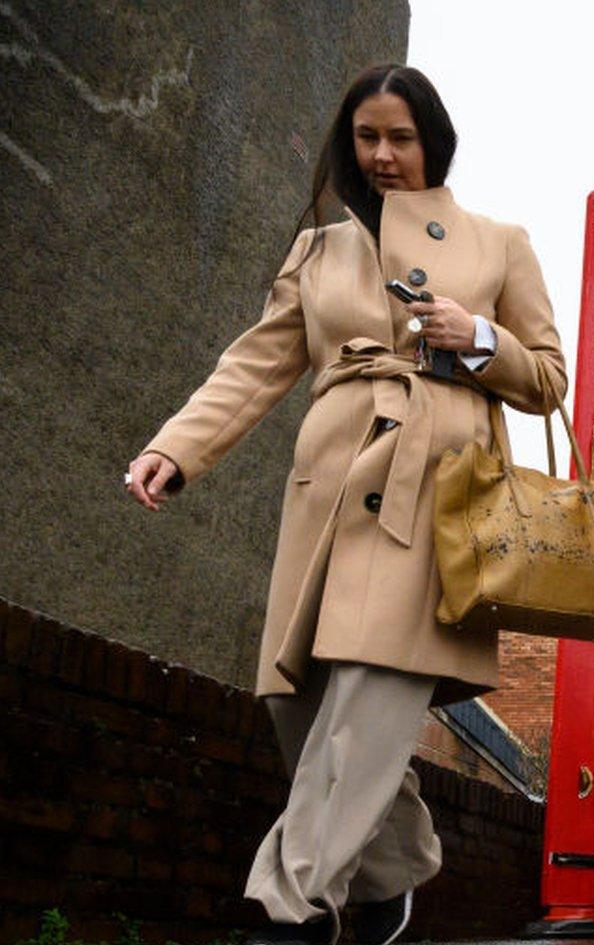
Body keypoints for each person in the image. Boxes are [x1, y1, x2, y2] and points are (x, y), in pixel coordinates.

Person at [124, 63, 567, 945]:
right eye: (367, 137)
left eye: (401, 137)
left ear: (432, 140)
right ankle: (393, 871)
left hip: (432, 500)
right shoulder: (317, 250)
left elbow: (549, 378)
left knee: (367, 705)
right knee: (301, 704)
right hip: (326, 496)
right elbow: (255, 364)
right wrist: (175, 446)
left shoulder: (497, 243)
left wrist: (478, 338)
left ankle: (287, 914)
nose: (383, 155)